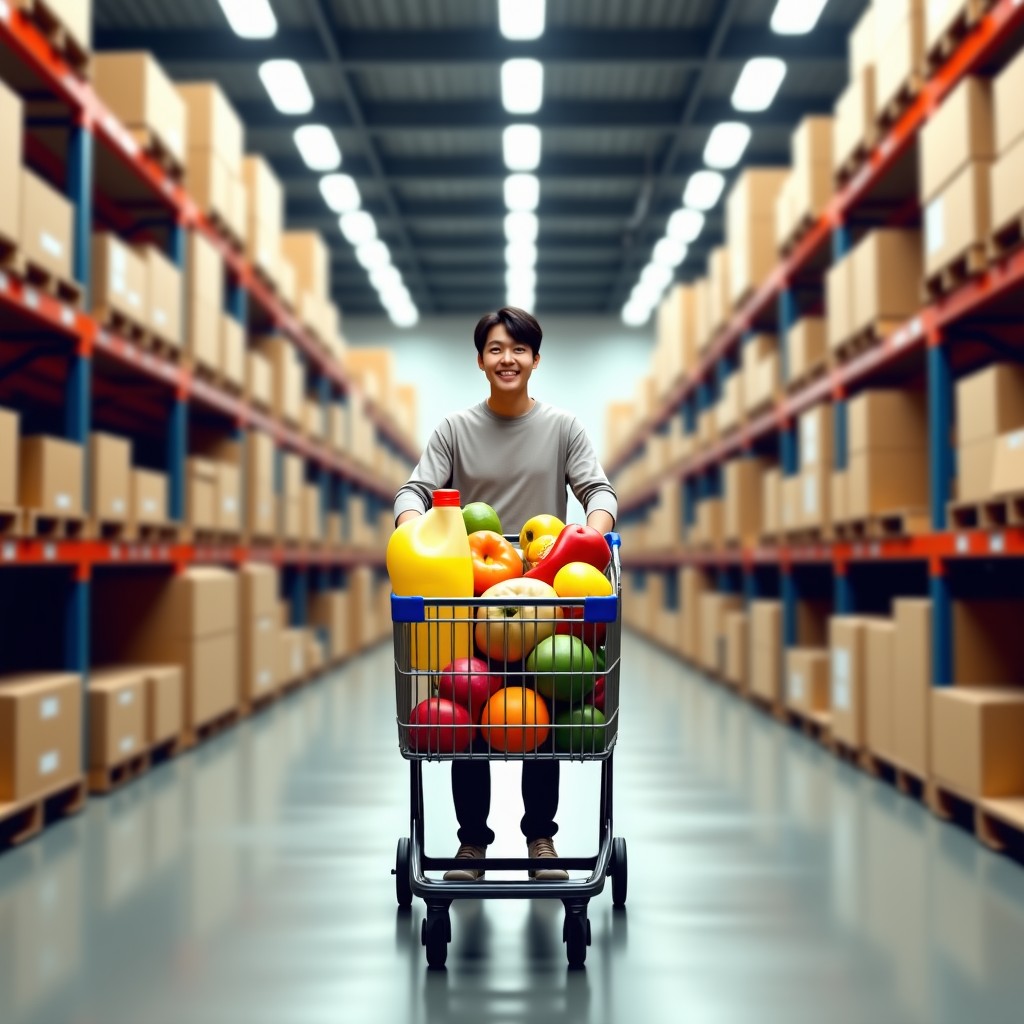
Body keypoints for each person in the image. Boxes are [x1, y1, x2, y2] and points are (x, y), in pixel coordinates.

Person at [393, 306, 617, 881]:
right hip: (471, 597)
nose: (507, 359)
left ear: (536, 360)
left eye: (518, 350)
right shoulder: (453, 430)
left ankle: (541, 837)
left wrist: (595, 529)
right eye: (496, 349)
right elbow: (416, 487)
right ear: (480, 360)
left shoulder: (564, 428)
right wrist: (410, 521)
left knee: (541, 711)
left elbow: (597, 489)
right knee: (470, 716)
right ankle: (472, 843)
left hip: (545, 594)